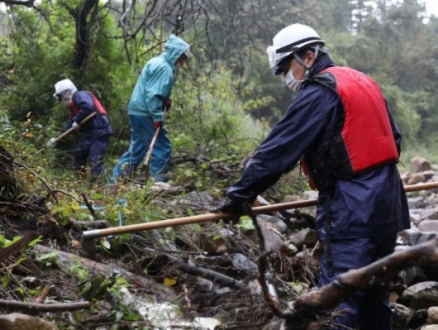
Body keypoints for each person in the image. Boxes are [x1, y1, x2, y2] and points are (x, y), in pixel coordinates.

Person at [215, 23, 410, 330]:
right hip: (389, 202)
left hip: (353, 207)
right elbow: (394, 140)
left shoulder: (320, 91)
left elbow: (277, 150)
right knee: (373, 293)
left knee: (339, 299)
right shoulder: (362, 80)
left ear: (308, 56)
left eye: (286, 67)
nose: (286, 78)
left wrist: (239, 196)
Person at [109, 34, 190, 184]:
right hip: (146, 113)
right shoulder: (165, 68)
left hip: (136, 110)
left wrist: (165, 101)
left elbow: (152, 90)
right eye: (182, 59)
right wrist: (157, 116)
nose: (182, 63)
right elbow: (153, 95)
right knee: (162, 146)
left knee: (137, 149)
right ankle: (158, 184)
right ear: (176, 54)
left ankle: (115, 183)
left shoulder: (156, 61)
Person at [49, 79, 113, 181]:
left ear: (66, 93)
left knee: (95, 158)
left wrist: (77, 120)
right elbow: (71, 123)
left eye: (60, 97)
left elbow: (88, 106)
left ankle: (98, 184)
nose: (61, 100)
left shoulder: (79, 95)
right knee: (79, 155)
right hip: (90, 133)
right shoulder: (74, 104)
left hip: (100, 129)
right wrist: (57, 137)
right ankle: (80, 182)